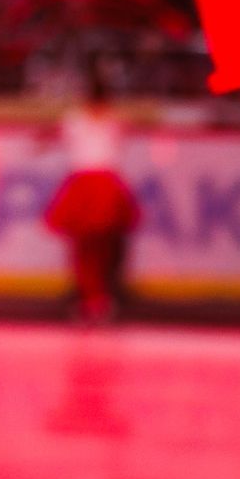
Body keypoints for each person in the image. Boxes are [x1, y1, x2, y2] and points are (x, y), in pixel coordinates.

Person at [44, 62, 141, 323]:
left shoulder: (80, 119)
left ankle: (93, 296)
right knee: (101, 246)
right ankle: (97, 297)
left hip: (88, 184)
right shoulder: (111, 119)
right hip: (103, 184)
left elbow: (50, 138)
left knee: (87, 246)